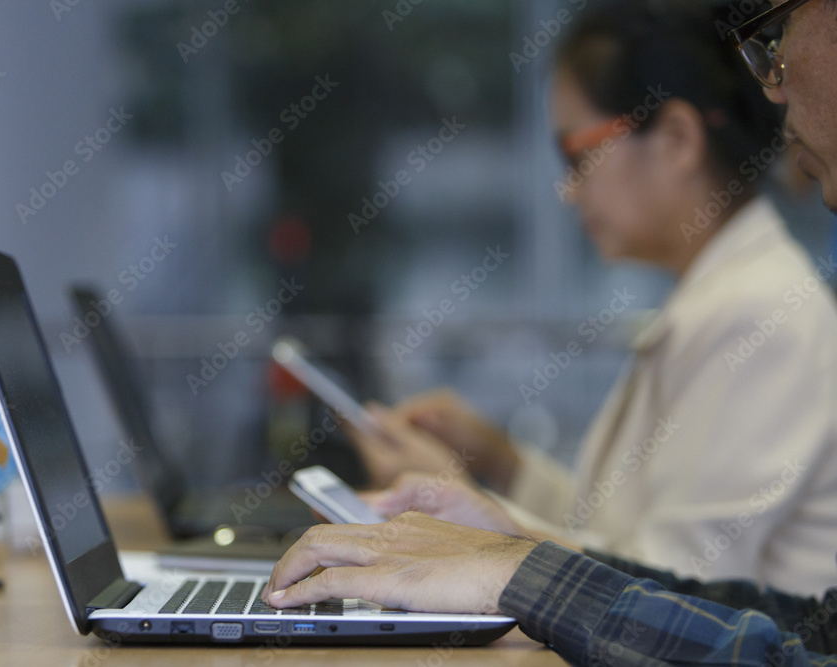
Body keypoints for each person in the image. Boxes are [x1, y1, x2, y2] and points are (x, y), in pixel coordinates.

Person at [263, 0, 837, 662]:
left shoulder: (760, 316)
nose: (568, 190)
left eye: (577, 153)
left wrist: (494, 554)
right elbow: (629, 543)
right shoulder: (721, 301)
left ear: (677, 140)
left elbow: (680, 607)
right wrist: (503, 471)